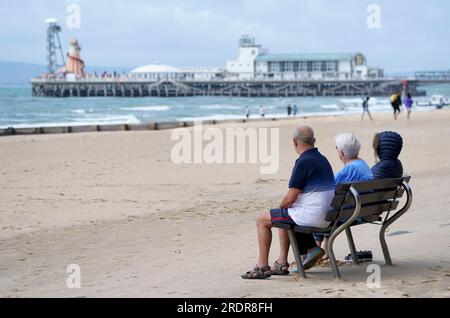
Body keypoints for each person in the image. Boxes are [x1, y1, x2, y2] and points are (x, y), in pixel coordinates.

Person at [241, 126, 335, 279]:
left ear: (294, 142)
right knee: (283, 215)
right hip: (328, 216)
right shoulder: (322, 159)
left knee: (263, 220)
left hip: (313, 216)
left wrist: (281, 206)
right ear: (314, 141)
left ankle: (261, 266)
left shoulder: (304, 162)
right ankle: (283, 261)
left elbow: (291, 198)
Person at [314, 133, 374, 260]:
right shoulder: (362, 164)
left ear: (341, 152)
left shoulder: (349, 170)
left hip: (353, 213)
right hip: (365, 210)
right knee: (331, 208)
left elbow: (327, 191)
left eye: (336, 148)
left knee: (321, 209)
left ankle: (316, 248)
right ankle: (323, 248)